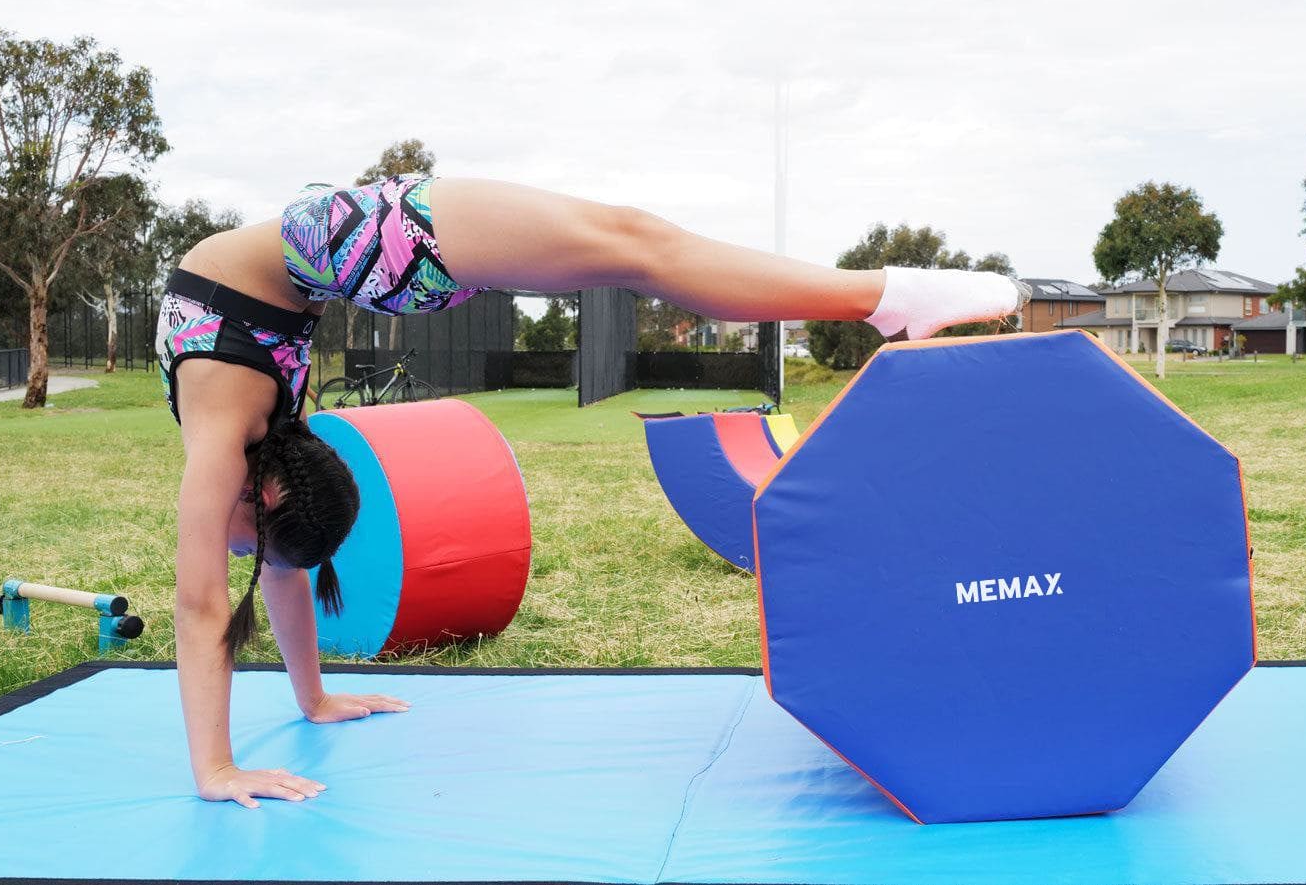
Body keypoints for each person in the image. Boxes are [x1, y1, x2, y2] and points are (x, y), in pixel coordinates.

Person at [158, 174, 1030, 808]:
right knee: (633, 248)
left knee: (636, 244)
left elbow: (201, 606)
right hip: (369, 258)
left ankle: (887, 297)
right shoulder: (269, 436)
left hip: (380, 242)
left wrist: (216, 769)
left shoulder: (225, 425)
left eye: (241, 538)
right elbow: (275, 566)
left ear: (261, 493)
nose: (228, 546)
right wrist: (311, 699)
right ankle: (884, 298)